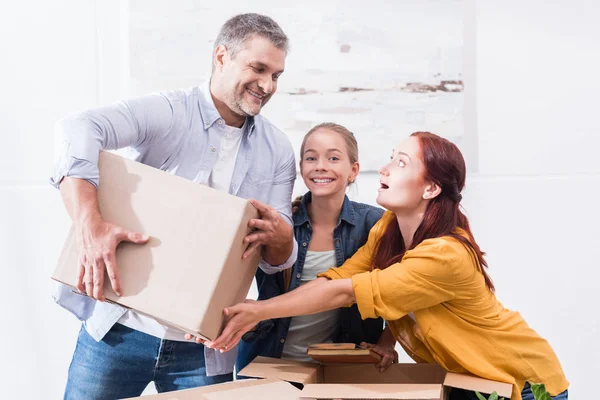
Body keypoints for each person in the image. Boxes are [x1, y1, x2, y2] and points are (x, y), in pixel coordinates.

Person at [204, 132, 569, 400]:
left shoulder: (444, 255)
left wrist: (259, 310)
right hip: (464, 377)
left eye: (401, 162)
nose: (385, 167)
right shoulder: (387, 228)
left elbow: (346, 292)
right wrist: (386, 338)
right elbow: (340, 278)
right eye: (391, 157)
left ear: (430, 190)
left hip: (522, 382)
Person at [51, 13, 297, 399]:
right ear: (221, 57)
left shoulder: (278, 150)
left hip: (203, 349)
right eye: (258, 68)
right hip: (119, 329)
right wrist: (89, 224)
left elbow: (274, 259)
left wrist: (283, 238)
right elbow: (77, 127)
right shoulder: (169, 112)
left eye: (277, 75)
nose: (267, 85)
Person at [235, 122, 391, 373]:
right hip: (269, 365)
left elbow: (399, 295)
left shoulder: (375, 224)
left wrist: (387, 342)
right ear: (301, 168)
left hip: (341, 372)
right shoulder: (277, 224)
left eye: (333, 157)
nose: (320, 165)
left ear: (353, 170)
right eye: (311, 158)